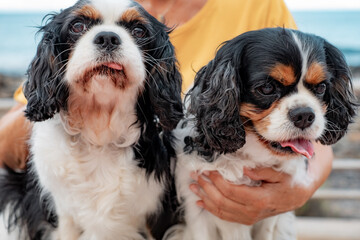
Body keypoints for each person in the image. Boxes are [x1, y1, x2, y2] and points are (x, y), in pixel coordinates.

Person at [1, 0, 333, 227]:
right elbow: (12, 137)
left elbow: (310, 127)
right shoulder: (101, 6)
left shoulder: (257, 5)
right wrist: (59, 97)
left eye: (138, 32)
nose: (106, 36)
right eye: (80, 30)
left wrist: (297, 190)